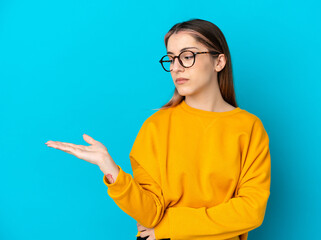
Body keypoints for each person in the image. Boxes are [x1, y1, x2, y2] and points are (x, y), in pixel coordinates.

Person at [45, 18, 271, 240]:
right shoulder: (156, 126)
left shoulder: (249, 128)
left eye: (187, 56)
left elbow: (251, 211)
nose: (176, 67)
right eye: (171, 59)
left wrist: (171, 225)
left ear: (219, 62)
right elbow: (151, 214)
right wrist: (110, 168)